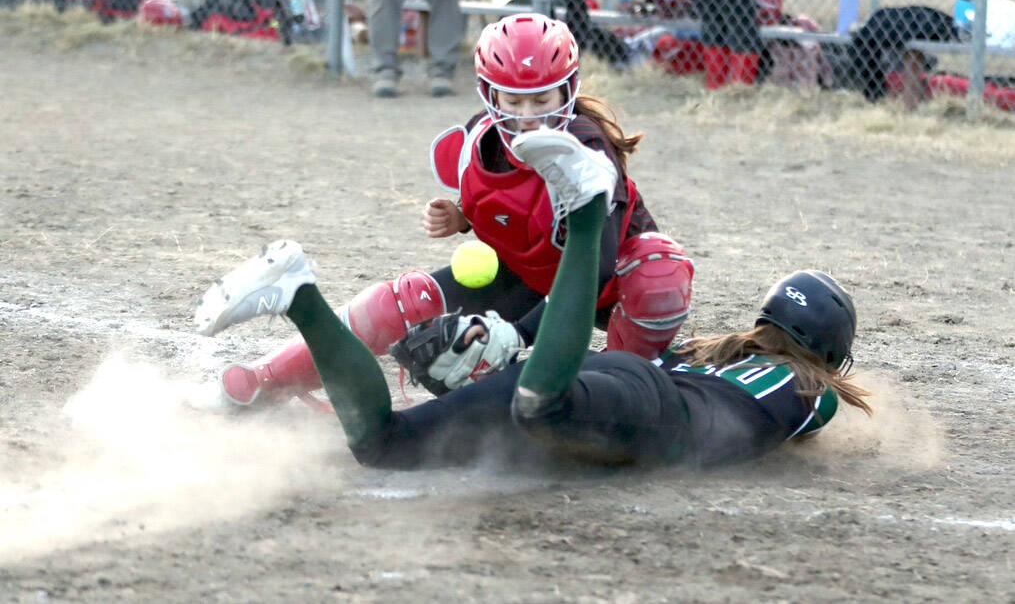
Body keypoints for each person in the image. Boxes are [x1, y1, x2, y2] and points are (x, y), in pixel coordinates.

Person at [194, 129, 872, 469]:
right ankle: (581, 212)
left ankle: (298, 292)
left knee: (382, 444)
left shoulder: (717, 352)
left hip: (621, 379)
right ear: (826, 353)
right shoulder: (812, 392)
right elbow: (822, 409)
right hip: (643, 408)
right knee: (540, 404)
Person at [189, 13, 693, 413]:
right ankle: (262, 383)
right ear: (488, 94)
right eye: (512, 100)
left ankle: (622, 379)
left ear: (568, 89)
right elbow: (522, 213)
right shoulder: (478, 139)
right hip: (531, 276)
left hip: (603, 288)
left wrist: (517, 334)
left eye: (542, 98)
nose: (528, 115)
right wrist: (462, 218)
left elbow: (595, 261)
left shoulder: (590, 152)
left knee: (658, 271)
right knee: (401, 302)